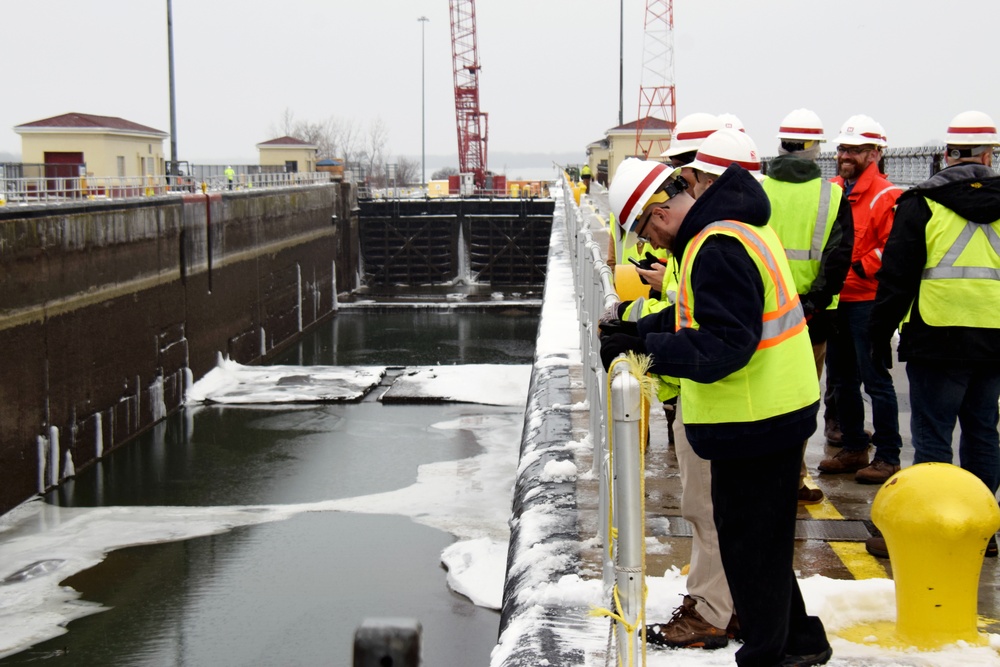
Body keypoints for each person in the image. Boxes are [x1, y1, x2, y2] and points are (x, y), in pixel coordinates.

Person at [601, 132, 832, 666]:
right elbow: (696, 314)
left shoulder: (717, 246)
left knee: (750, 550)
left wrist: (648, 353)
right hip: (769, 414)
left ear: (659, 214)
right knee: (763, 546)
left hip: (756, 420)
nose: (653, 249)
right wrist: (638, 333)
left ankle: (769, 656)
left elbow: (728, 344)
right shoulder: (732, 228)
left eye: (645, 234)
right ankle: (801, 641)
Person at [866, 111, 1000, 559]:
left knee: (933, 435)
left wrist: (878, 334)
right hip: (995, 339)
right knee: (983, 433)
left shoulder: (921, 203)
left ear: (946, 154)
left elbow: (897, 277)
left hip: (937, 337)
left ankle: (932, 525)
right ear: (988, 155)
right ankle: (980, 531)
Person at [763, 109, 854, 504]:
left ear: (780, 145)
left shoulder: (758, 189)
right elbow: (838, 256)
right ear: (816, 149)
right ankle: (794, 476)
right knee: (800, 399)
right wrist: (813, 302)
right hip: (811, 319)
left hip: (761, 314)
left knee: (762, 395)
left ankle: (759, 474)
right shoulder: (832, 195)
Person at [817, 115, 904, 485]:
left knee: (876, 381)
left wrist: (856, 269)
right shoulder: (834, 191)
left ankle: (887, 456)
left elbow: (891, 248)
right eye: (842, 149)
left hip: (866, 302)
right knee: (841, 380)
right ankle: (854, 447)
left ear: (875, 153)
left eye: (854, 150)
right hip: (838, 301)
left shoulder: (888, 196)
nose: (845, 155)